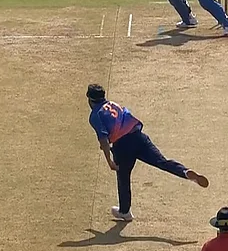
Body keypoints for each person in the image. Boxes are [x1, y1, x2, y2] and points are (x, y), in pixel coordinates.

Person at [86, 84, 209, 221]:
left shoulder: (95, 115)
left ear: (89, 99)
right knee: (162, 162)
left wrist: (109, 160)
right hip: (138, 136)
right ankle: (184, 172)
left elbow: (103, 139)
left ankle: (125, 211)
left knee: (123, 176)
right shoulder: (113, 104)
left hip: (122, 146)